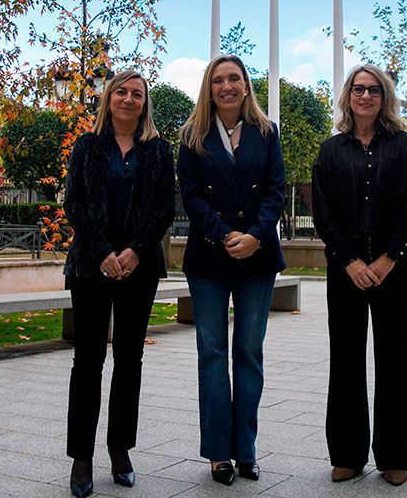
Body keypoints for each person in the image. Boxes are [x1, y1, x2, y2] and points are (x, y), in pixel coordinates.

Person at [311, 64, 407, 487]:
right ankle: (347, 454)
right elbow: (321, 210)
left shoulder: (406, 147)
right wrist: (349, 261)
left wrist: (389, 257)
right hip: (346, 266)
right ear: (347, 96)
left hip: (392, 264)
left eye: (373, 90)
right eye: (358, 89)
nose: (365, 96)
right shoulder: (330, 150)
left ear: (384, 97)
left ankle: (395, 457)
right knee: (345, 358)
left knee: (396, 358)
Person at [62, 69, 175, 498]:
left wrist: (133, 252)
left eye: (137, 94)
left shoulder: (159, 151)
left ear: (145, 103)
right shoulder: (87, 147)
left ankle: (120, 449)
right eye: (121, 92)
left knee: (129, 362)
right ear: (108, 99)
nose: (128, 100)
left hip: (139, 269)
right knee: (87, 364)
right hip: (92, 267)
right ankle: (82, 457)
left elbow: (165, 208)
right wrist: (104, 253)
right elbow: (74, 202)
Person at [177, 55, 286, 486]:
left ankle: (246, 450)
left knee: (248, 352)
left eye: (234, 78)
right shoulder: (191, 136)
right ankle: (218, 453)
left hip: (257, 257)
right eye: (218, 79)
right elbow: (191, 197)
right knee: (212, 353)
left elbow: (276, 189)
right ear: (209, 87)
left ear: (245, 85)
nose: (227, 86)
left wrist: (257, 235)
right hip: (208, 256)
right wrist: (225, 235)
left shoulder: (266, 132)